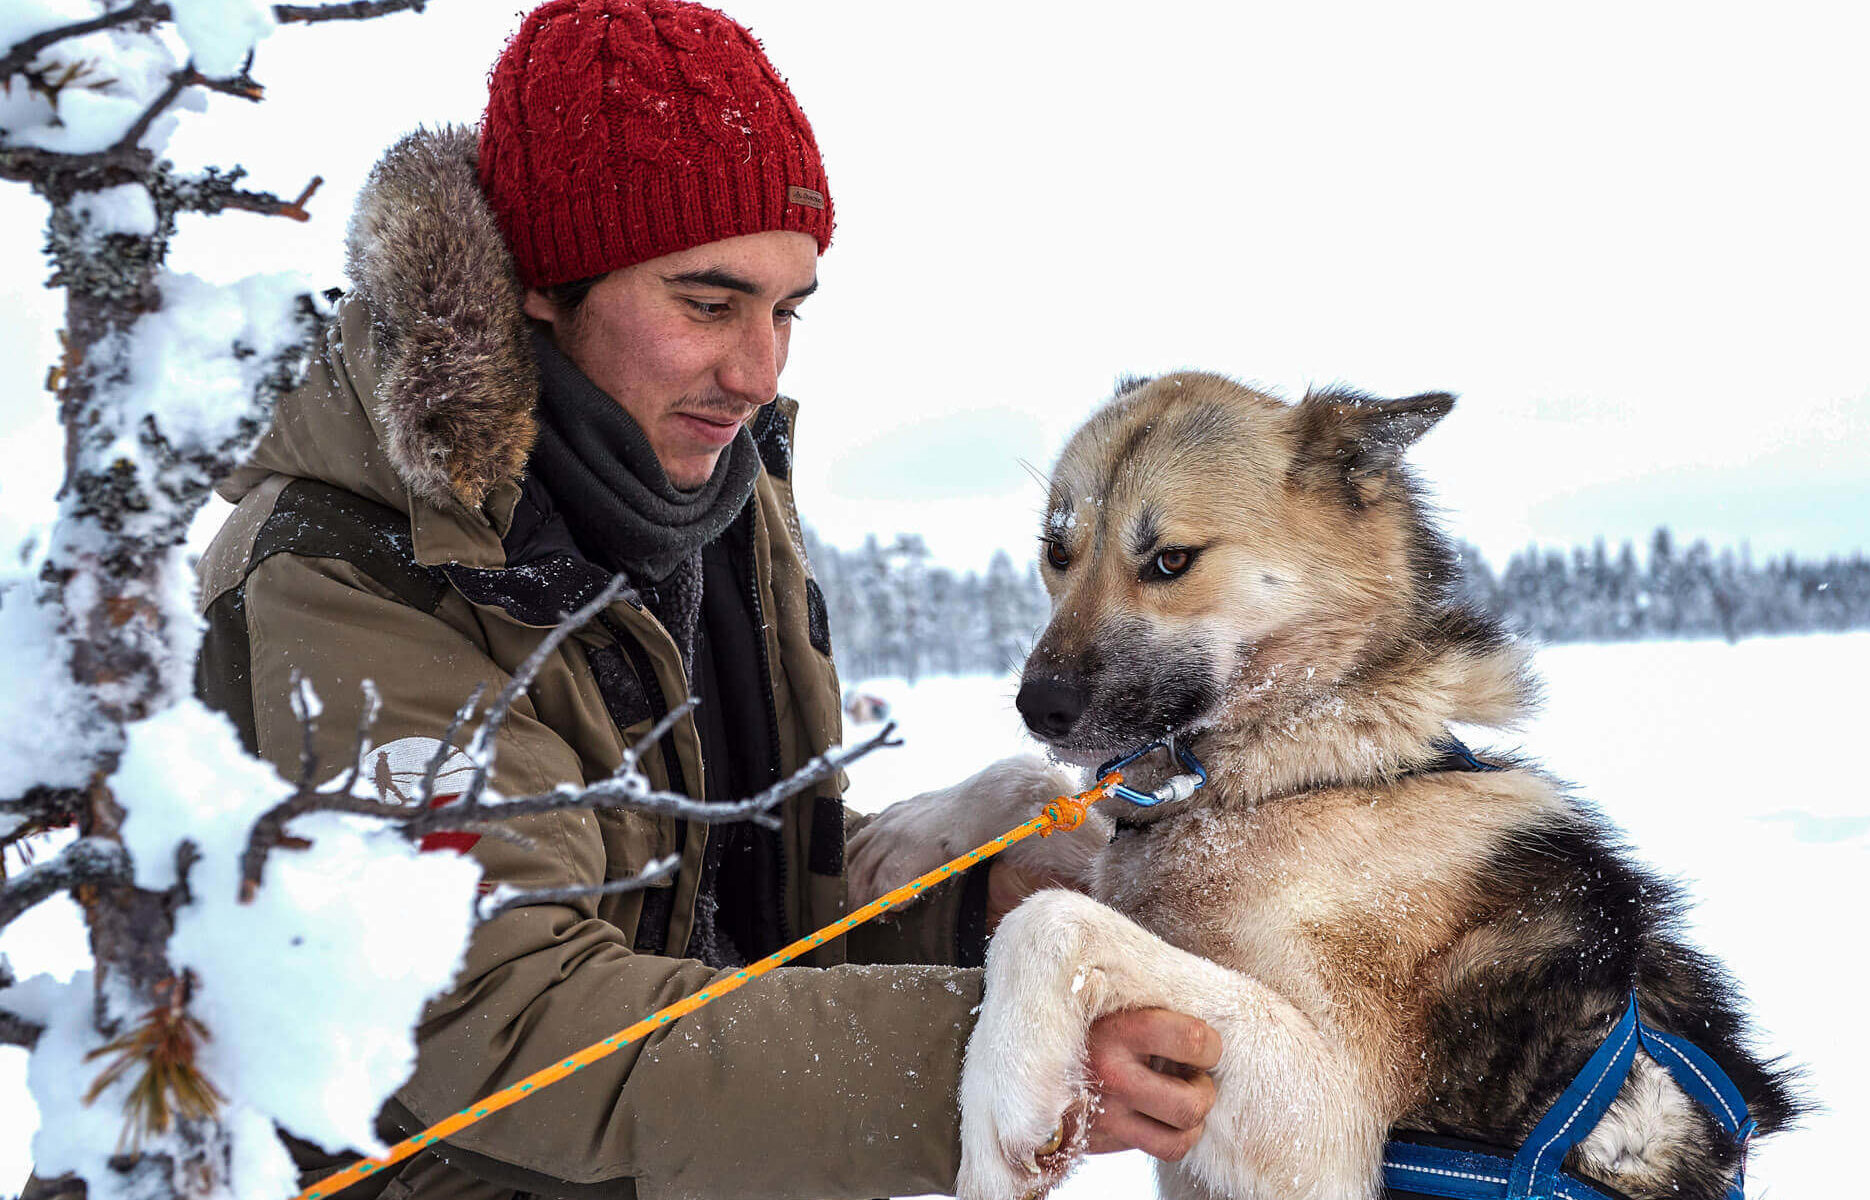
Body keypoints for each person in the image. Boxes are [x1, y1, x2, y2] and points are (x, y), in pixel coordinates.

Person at [193, 3, 1219, 1197]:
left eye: (787, 310)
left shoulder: (698, 496)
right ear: (541, 284)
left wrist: (965, 910)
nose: (758, 370)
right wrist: (997, 1052)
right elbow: (510, 1026)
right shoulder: (351, 567)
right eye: (708, 301)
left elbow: (734, 913)